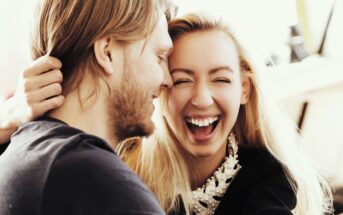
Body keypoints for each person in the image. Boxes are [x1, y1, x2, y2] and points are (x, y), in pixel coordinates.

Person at [1, 13, 333, 215]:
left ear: (244, 89)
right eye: (181, 80)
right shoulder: (119, 165)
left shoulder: (268, 176)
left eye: (220, 79)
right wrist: (10, 118)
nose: (202, 99)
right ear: (159, 85)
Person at [0, 0, 175, 214]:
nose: (167, 80)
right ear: (107, 53)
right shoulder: (98, 181)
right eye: (159, 58)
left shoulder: (23, 154)